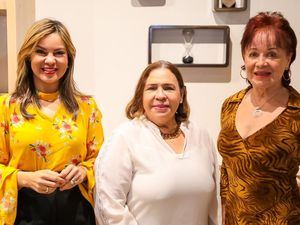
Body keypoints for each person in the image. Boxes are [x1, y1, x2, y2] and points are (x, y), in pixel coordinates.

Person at [0, 18, 104, 225]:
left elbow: (102, 163)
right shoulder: (6, 106)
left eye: (58, 53)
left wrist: (83, 171)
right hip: (24, 212)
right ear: (28, 57)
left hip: (77, 211)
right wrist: (23, 178)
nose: (50, 60)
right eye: (41, 52)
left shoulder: (86, 107)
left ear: (69, 59)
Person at [94, 60, 218, 225]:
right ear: (141, 96)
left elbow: (215, 204)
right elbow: (108, 208)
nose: (160, 95)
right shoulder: (124, 139)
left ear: (181, 95)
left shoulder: (201, 136)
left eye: (168, 88)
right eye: (152, 88)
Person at [218, 12, 300, 224]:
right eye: (253, 54)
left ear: (288, 57)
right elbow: (226, 169)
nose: (261, 62)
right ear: (245, 56)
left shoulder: (297, 111)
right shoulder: (230, 105)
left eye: (272, 54)